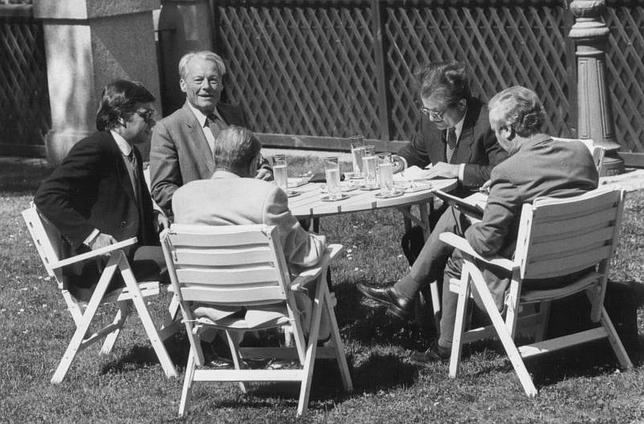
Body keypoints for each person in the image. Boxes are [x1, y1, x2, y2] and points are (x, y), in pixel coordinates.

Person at [359, 86, 598, 362]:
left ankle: (444, 346)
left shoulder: (509, 171)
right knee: (457, 217)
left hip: (531, 275)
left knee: (458, 249)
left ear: (508, 131)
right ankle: (406, 292)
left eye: (496, 131)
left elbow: (487, 243)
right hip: (580, 265)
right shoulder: (580, 154)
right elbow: (552, 195)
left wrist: (469, 226)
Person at [172, 125, 328, 337]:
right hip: (265, 302)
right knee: (319, 259)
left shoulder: (183, 197)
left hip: (208, 302)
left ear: (216, 157)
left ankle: (221, 346)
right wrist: (322, 242)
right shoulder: (265, 195)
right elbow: (305, 254)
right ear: (255, 161)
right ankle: (321, 341)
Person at [34, 80, 167, 301]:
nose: (152, 122)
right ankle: (209, 333)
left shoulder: (131, 152)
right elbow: (46, 196)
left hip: (127, 253)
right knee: (186, 260)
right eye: (146, 115)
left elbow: (126, 203)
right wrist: (92, 237)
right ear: (121, 116)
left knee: (190, 255)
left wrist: (154, 215)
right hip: (99, 266)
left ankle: (202, 332)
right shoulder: (95, 148)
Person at [150, 50, 272, 220]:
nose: (206, 86)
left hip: (247, 213)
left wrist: (265, 170)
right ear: (183, 85)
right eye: (198, 80)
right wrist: (208, 204)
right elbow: (162, 189)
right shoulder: (168, 128)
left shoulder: (234, 115)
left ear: (221, 84)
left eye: (213, 80)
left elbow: (257, 158)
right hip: (202, 222)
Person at [398, 61, 507, 194]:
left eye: (436, 113)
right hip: (445, 203)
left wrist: (457, 170)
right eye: (427, 111)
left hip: (476, 204)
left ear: (461, 104)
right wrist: (397, 163)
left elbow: (502, 172)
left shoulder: (488, 123)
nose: (431, 118)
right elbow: (417, 151)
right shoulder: (430, 120)